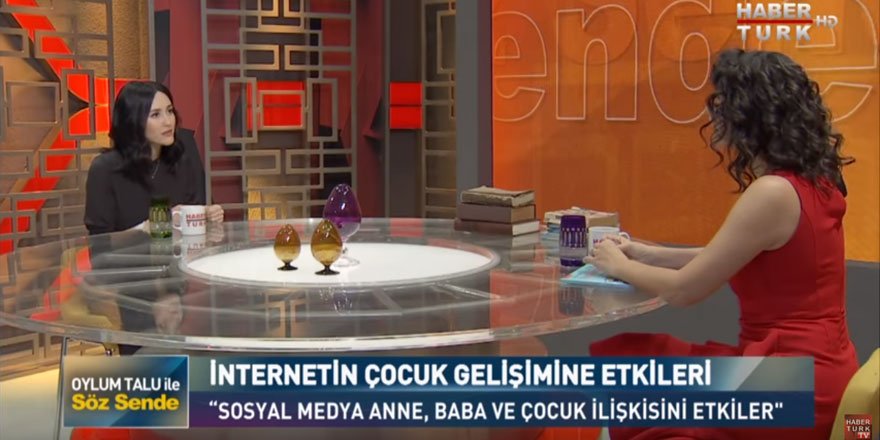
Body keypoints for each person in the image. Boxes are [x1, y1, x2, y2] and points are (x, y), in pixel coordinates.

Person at [585, 48, 858, 439]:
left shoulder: (773, 193)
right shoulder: (815, 182)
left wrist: (618, 264)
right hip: (817, 371)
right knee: (636, 360)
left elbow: (684, 291)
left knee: (638, 383)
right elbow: (746, 257)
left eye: (723, 103)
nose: (715, 114)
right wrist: (649, 254)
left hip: (789, 383)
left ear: (749, 115)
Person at [84, 81, 223, 234]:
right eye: (156, 115)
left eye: (170, 111)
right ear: (133, 121)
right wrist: (147, 227)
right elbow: (99, 241)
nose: (168, 122)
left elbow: (196, 213)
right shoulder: (104, 169)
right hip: (130, 250)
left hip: (181, 249)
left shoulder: (183, 154)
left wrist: (208, 215)